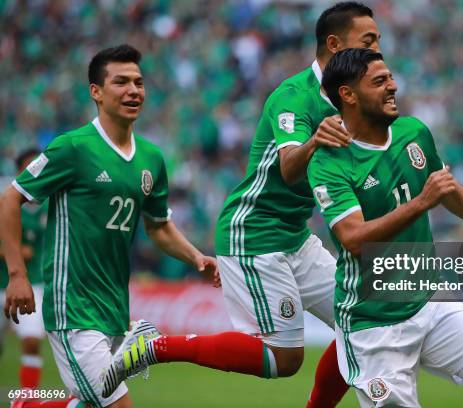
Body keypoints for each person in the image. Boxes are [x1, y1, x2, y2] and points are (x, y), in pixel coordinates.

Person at [102, 3, 379, 406]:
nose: (377, 49)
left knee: (364, 318)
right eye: (368, 40)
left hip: (295, 235)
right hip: (255, 231)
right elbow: (288, 168)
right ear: (335, 44)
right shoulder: (295, 96)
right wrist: (316, 139)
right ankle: (153, 347)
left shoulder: (352, 99)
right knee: (284, 360)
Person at [0, 44, 217, 408]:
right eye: (121, 82)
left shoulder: (151, 158)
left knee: (89, 403)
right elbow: (10, 198)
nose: (133, 90)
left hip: (115, 308)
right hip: (73, 307)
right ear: (96, 92)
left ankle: (28, 404)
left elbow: (159, 227)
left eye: (139, 82)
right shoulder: (73, 148)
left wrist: (196, 256)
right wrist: (17, 274)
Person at [307, 48, 463, 408]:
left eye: (390, 78)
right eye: (379, 81)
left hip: (427, 298)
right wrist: (421, 202)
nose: (392, 87)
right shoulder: (330, 162)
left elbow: (446, 189)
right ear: (348, 95)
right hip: (373, 322)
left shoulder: (413, 131)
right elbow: (353, 239)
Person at [0, 149, 48, 394]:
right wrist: (13, 251)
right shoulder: (5, 203)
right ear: (19, 172)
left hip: (33, 283)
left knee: (31, 341)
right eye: (30, 168)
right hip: (2, 282)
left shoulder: (47, 208)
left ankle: (28, 398)